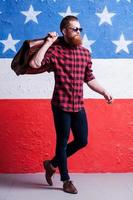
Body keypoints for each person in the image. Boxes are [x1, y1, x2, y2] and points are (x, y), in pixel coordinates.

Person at [29, 15, 113, 194]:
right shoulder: (55, 51)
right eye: (74, 28)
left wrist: (104, 91)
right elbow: (35, 63)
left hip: (77, 105)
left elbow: (89, 78)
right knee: (62, 142)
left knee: (82, 140)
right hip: (61, 105)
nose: (78, 31)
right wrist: (48, 43)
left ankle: (51, 164)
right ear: (64, 31)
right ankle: (66, 179)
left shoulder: (84, 53)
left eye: (79, 29)